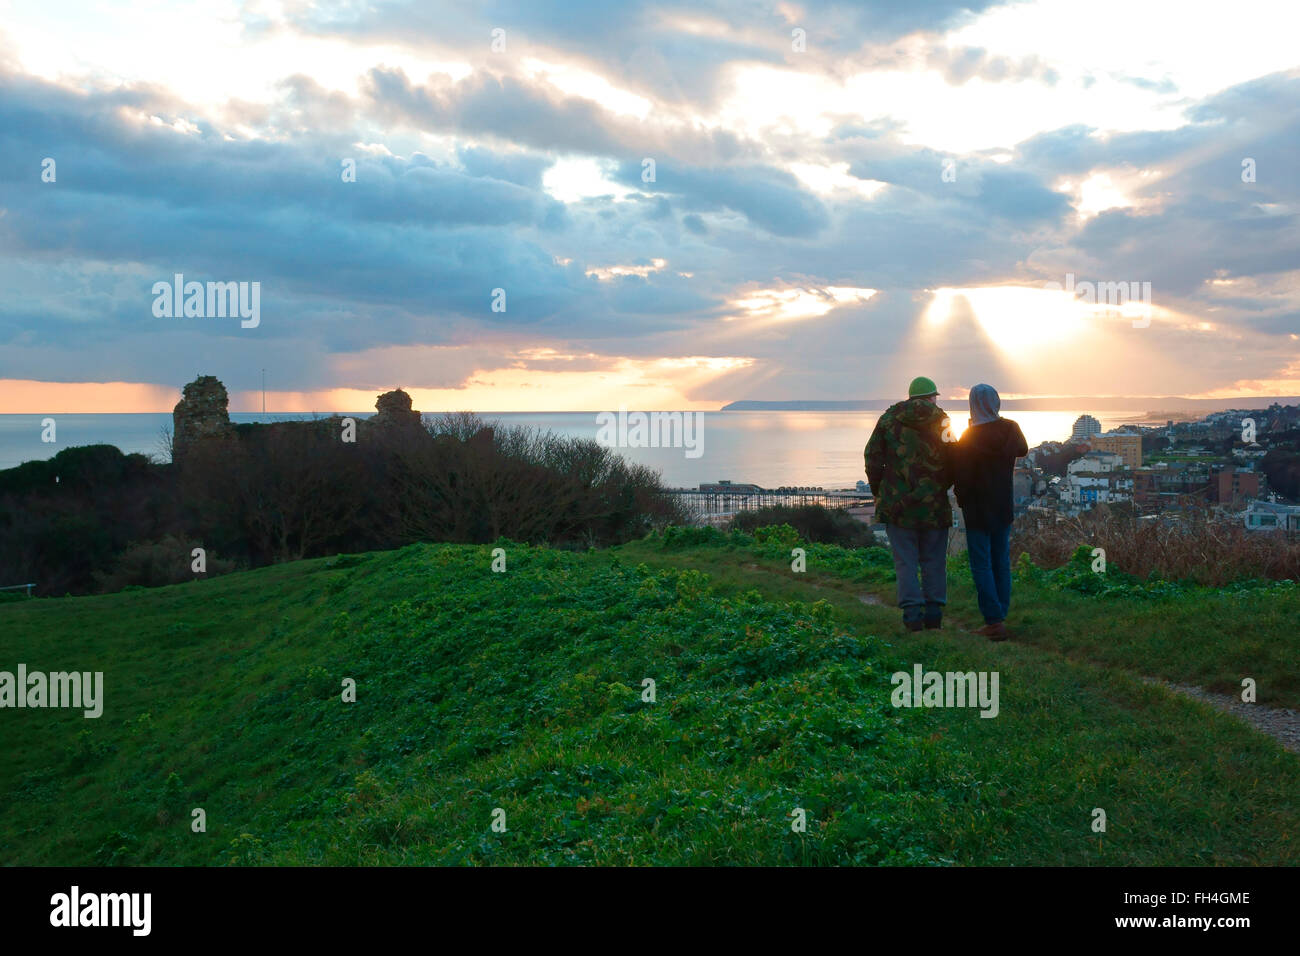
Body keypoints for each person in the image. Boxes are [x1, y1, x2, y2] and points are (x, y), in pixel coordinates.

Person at [865, 376, 955, 632]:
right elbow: (955, 456)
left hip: (897, 505)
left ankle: (912, 617)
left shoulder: (888, 419)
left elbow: (872, 457)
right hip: (934, 505)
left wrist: (878, 490)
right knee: (934, 560)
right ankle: (934, 614)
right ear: (930, 397)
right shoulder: (943, 420)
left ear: (910, 396)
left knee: (905, 561)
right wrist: (941, 485)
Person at [953, 384, 1028, 641]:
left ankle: (993, 621)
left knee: (982, 565)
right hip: (1002, 505)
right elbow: (1022, 449)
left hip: (977, 508)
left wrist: (962, 501)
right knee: (1001, 561)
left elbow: (961, 479)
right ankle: (1000, 614)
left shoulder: (968, 437)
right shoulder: (1011, 429)